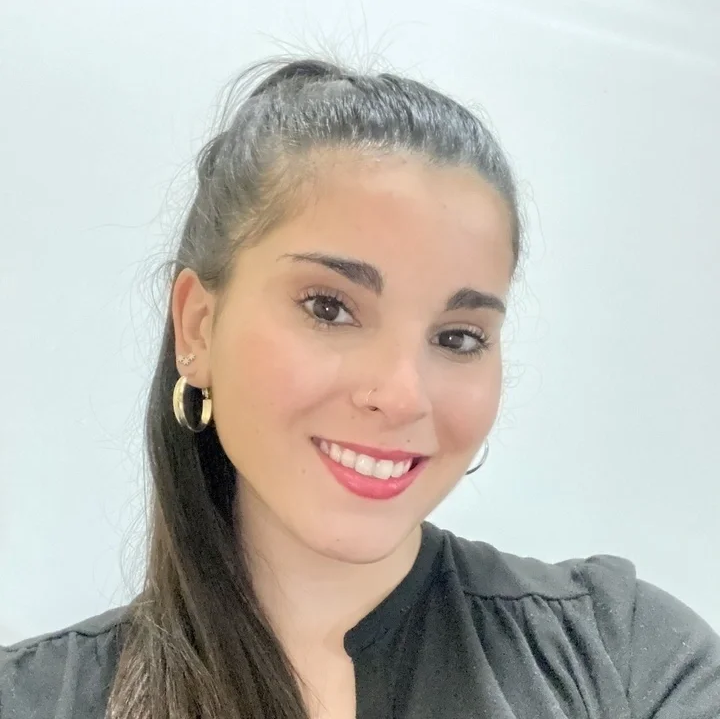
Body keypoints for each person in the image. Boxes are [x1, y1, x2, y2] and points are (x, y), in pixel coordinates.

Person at [1, 56, 718, 719]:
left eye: (458, 337)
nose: (403, 396)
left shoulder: (624, 655)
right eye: (328, 307)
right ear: (198, 326)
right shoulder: (33, 698)